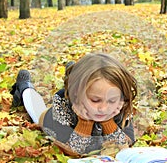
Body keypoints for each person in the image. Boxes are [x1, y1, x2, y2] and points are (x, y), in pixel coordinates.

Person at [10, 53, 138, 156]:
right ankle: (24, 87)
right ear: (77, 95)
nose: (104, 108)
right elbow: (72, 151)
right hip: (50, 121)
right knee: (35, 110)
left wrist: (108, 121)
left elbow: (126, 145)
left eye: (111, 101)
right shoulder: (62, 105)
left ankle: (72, 76)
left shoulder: (121, 104)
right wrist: (84, 122)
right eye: (95, 100)